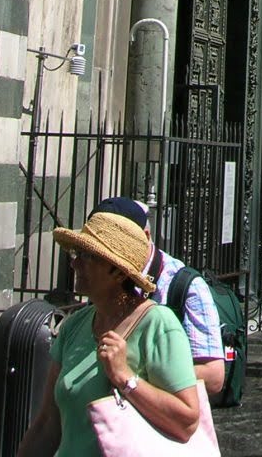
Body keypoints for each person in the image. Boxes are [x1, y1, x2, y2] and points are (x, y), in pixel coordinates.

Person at [18, 211, 199, 457]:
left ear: (118, 271)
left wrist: (125, 378)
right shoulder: (75, 326)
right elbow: (47, 423)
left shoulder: (158, 325)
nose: (74, 263)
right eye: (76, 254)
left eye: (86, 256)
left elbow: (187, 422)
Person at [88, 195, 226, 397]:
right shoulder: (100, 278)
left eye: (117, 243)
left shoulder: (185, 287)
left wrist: (129, 375)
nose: (109, 254)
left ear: (145, 236)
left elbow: (213, 377)